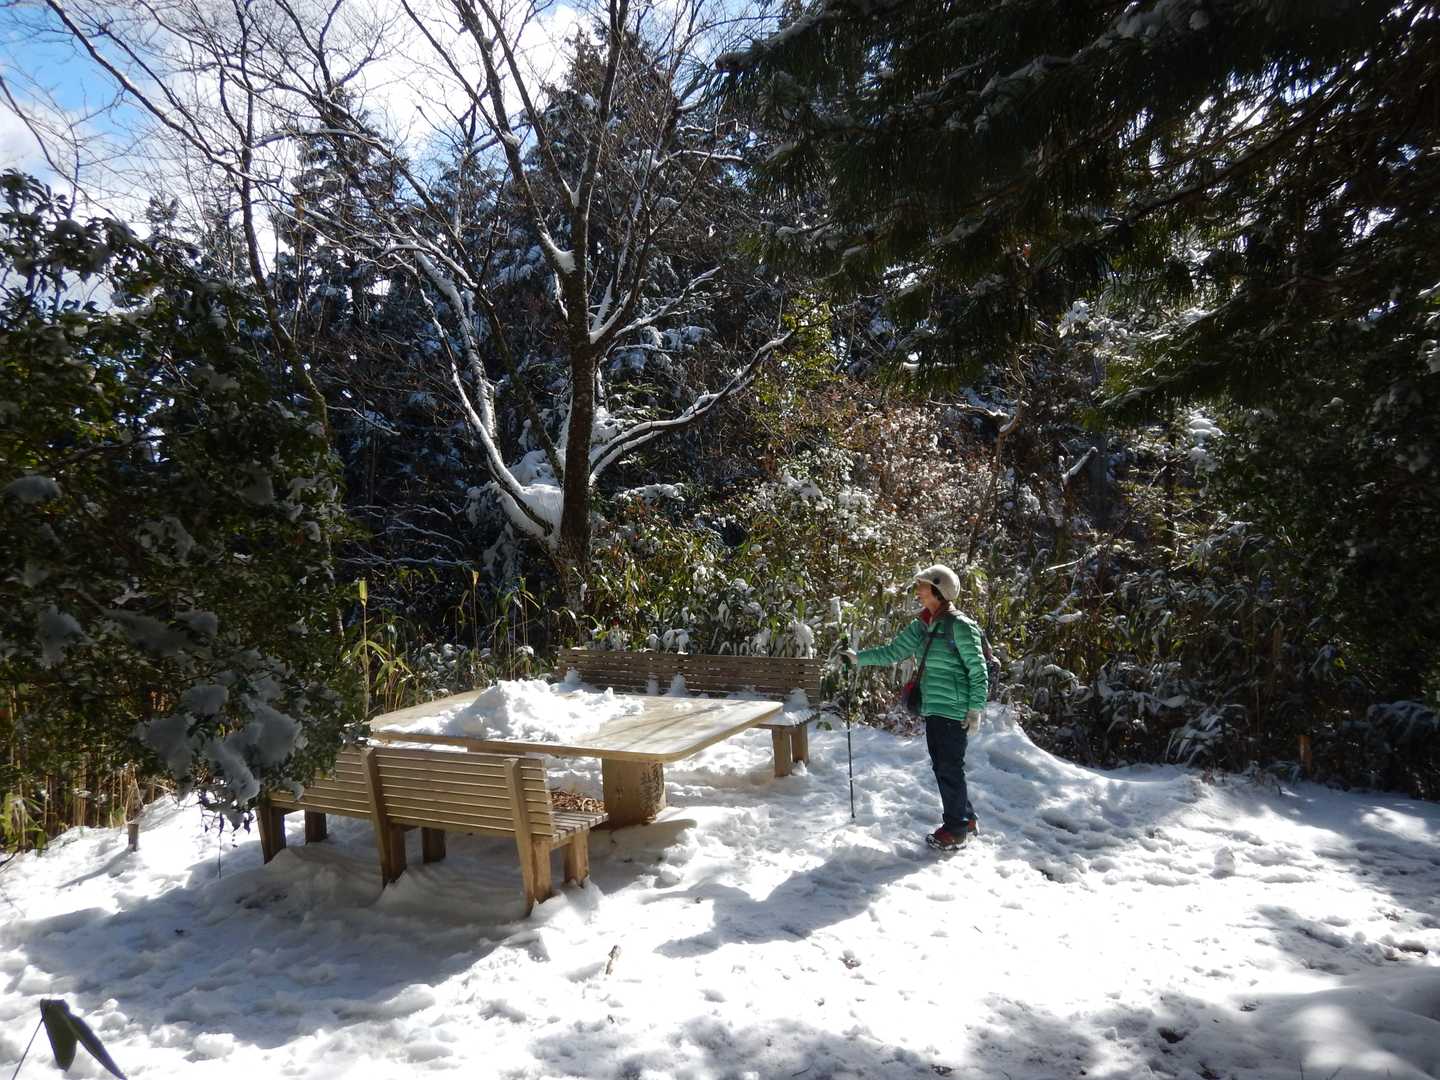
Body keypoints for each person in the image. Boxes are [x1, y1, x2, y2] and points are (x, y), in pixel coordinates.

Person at [842, 564, 989, 851]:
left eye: (922, 585)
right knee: (945, 766)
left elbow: (978, 670)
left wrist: (975, 710)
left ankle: (956, 829)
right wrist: (858, 658)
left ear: (938, 589)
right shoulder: (922, 624)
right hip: (934, 707)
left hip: (954, 709)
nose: (918, 590)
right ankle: (967, 819)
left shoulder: (960, 626)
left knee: (948, 768)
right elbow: (893, 652)